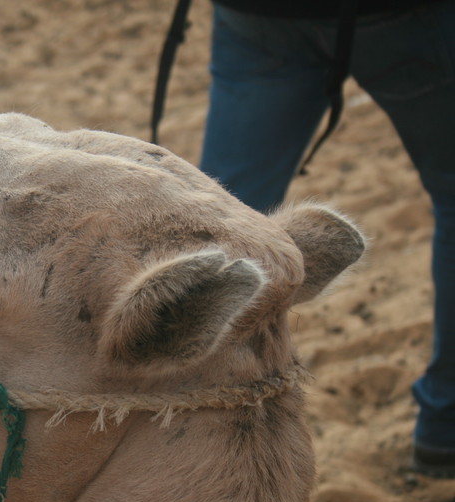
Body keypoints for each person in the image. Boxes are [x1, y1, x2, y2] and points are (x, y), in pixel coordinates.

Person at [152, 0, 455, 477]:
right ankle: (445, 426)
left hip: (261, 17)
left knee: (220, 229)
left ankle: (165, 441)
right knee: (219, 235)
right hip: (406, 17)